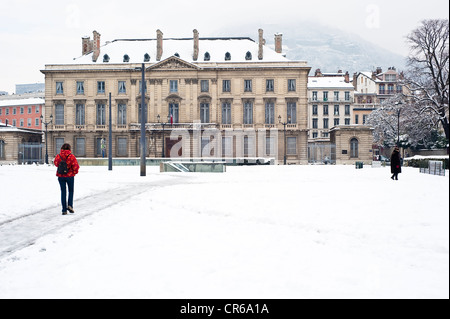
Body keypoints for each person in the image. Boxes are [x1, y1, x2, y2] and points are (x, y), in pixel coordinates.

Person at [54, 143, 80, 215]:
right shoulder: (71, 156)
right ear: (69, 149)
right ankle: (70, 205)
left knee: (63, 192)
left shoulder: (58, 156)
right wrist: (74, 172)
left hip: (61, 176)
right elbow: (75, 166)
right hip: (70, 176)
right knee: (71, 191)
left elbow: (56, 163)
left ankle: (64, 210)